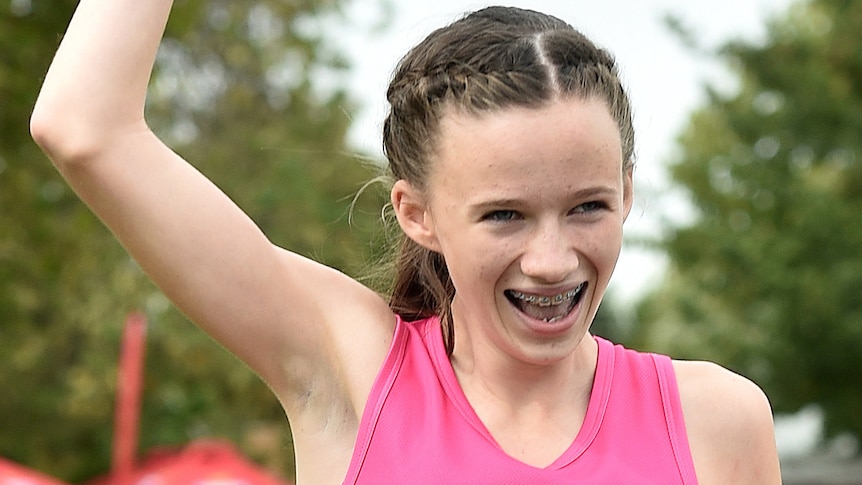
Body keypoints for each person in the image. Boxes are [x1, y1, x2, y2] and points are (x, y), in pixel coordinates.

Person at [31, 1, 781, 483]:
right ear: (417, 213)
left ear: (628, 190)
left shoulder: (716, 420)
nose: (552, 259)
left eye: (588, 206)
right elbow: (84, 128)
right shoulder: (349, 371)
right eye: (503, 216)